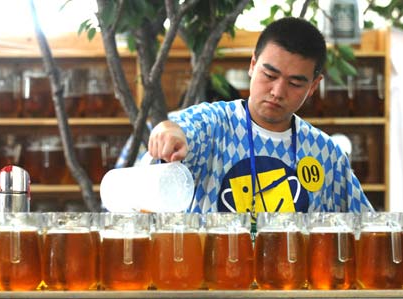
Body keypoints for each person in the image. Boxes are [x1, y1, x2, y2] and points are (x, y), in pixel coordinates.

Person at [147, 17, 374, 214]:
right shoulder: (214, 125)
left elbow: (364, 225)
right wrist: (168, 131)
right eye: (269, 75)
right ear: (253, 65)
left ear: (314, 86)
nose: (277, 92)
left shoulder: (325, 154)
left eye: (295, 83)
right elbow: (182, 126)